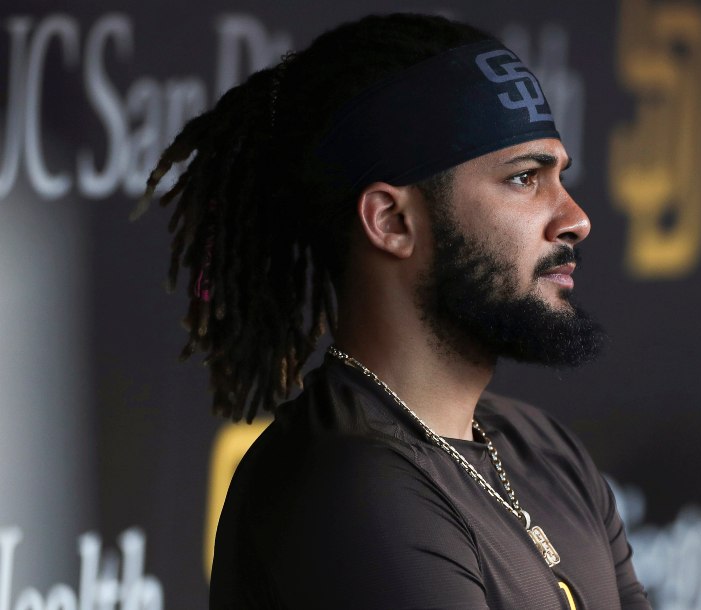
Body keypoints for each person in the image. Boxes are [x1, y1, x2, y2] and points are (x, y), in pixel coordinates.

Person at [142, 12, 651, 609]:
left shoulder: (544, 450)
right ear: (392, 221)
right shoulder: (347, 488)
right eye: (523, 178)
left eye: (559, 175)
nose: (574, 218)